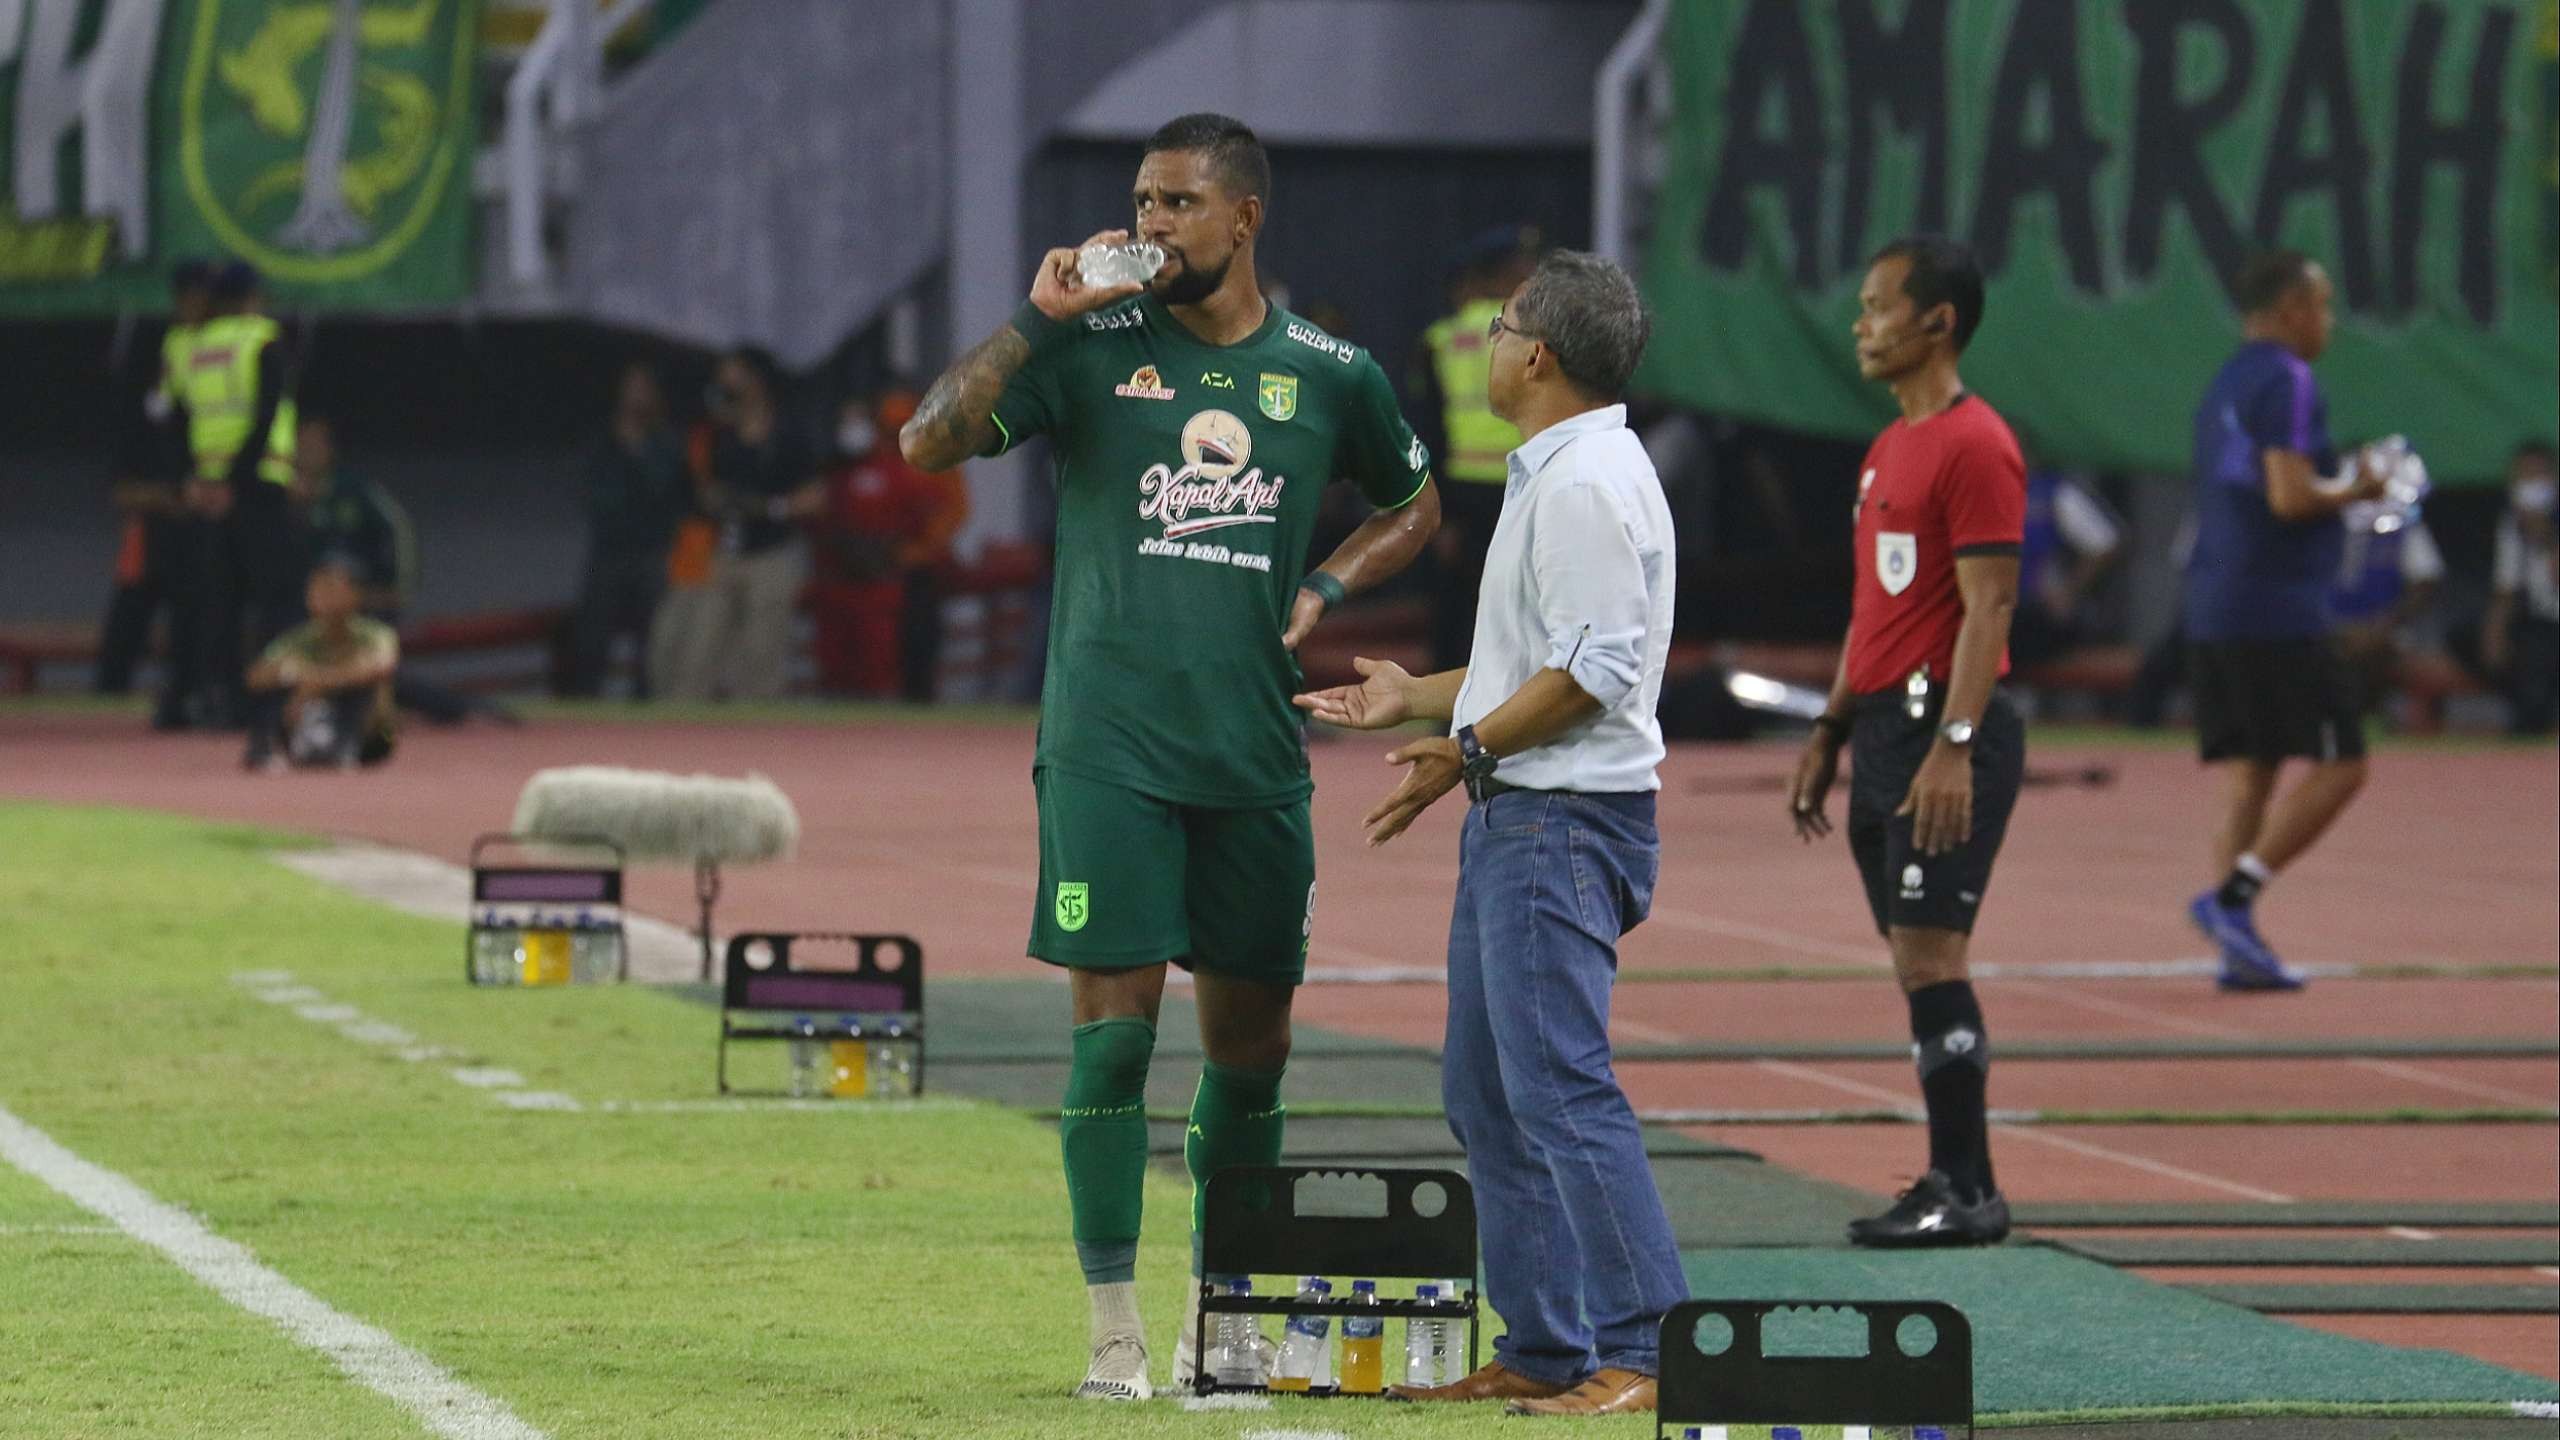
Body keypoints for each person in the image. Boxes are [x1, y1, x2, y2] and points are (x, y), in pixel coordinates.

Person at [898, 112, 1439, 1401]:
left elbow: (1414, 501)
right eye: (1141, 202)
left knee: (1253, 1053)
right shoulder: (1090, 347)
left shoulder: (1328, 369)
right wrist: (1037, 317)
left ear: (1243, 218)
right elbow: (926, 442)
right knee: (1111, 1043)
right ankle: (1112, 1335)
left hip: (1253, 752)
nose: (1150, 226)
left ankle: (1224, 1312)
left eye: (1178, 204)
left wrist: (1326, 581)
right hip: (1107, 748)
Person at [1299, 250, 1685, 1417]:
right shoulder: (1564, 468)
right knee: (1487, 1094)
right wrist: (1421, 697)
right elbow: (1541, 660)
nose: (1483, 340)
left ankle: (1644, 1352)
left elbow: (1598, 671)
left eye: (1501, 324)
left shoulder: (1579, 482)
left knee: (1559, 1091)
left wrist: (1466, 751)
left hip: (1558, 822)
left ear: (1539, 355)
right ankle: (1547, 1345)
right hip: (1528, 811)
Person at [1785, 236, 2027, 1248]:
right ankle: (1953, 1177)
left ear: (1938, 321)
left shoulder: (1977, 445)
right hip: (1884, 726)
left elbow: (1990, 607)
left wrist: (1954, 746)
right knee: (1914, 962)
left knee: (1933, 956)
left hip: (1942, 727)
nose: (1861, 323)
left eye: (1880, 305)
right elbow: (1873, 604)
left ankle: (1964, 1188)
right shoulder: (1888, 447)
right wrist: (1830, 726)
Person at [2181, 251, 2390, 991]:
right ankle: (2231, 901)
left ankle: (2235, 946)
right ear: (2292, 310)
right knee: (2345, 763)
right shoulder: (2290, 379)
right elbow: (2289, 497)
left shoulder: (2227, 381)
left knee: (2252, 771)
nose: (2328, 322)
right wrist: (2359, 488)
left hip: (2215, 603)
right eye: (2323, 306)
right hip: (2276, 608)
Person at [167, 261, 301, 726]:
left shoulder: (197, 346)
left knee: (221, 603)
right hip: (258, 484)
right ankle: (276, 701)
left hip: (210, 489)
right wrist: (237, 482)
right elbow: (265, 415)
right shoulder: (260, 339)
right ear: (252, 297)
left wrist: (203, 480)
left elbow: (182, 415)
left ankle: (222, 703)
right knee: (279, 598)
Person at [649, 347, 822, 701]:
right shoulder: (715, 433)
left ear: (756, 379)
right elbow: (702, 490)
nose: (725, 382)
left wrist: (771, 507)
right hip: (723, 554)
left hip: (772, 554)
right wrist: (718, 499)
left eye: (734, 373)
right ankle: (678, 739)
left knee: (761, 657)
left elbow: (815, 497)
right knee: (698, 652)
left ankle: (758, 746)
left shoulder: (788, 431)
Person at [1411, 226, 1537, 671]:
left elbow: (1427, 431)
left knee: (1457, 606)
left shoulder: (1442, 340)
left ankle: (1446, 711)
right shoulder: (1534, 340)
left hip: (1460, 495)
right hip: (1522, 490)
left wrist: (1436, 511)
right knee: (1521, 604)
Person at [101, 260, 214, 705]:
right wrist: (167, 498)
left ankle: (190, 699)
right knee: (128, 621)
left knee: (199, 619)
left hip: (203, 532)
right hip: (153, 534)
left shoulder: (213, 401)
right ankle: (105, 702)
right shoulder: (141, 413)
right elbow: (121, 488)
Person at [808, 389, 965, 698]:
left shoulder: (922, 462)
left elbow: (945, 514)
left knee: (898, 657)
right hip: (847, 573)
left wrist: (908, 554)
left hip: (899, 574)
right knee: (840, 660)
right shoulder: (840, 468)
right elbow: (821, 518)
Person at [566, 362, 686, 698]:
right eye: (631, 387)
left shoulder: (667, 444)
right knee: (592, 639)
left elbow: (666, 493)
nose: (637, 396)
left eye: (644, 388)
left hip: (652, 554)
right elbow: (594, 499)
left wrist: (638, 453)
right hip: (608, 555)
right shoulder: (601, 442)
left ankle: (648, 713)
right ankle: (584, 707)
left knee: (654, 642)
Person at [242, 556, 398, 772]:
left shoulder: (376, 634)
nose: (322, 596)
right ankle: (265, 749)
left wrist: (319, 683)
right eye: (316, 589)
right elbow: (256, 676)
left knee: (362, 684)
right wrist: (294, 675)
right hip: (306, 719)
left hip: (370, 736)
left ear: (355, 594)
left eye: (332, 588)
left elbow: (382, 666)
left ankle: (344, 750)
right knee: (278, 679)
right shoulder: (299, 638)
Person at [2328, 492, 2444, 719]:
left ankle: (2369, 716)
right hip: (2328, 626)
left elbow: (2426, 581)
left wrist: (2385, 623)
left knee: (2374, 648)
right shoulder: (2325, 524)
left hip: (2385, 628)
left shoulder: (2401, 525)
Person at [2009, 463, 2123, 674]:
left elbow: (2106, 544)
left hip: (2037, 617)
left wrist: (2068, 591)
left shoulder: (2053, 494)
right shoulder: (1978, 495)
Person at [2480, 442, 2559, 734]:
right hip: (2536, 624)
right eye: (2523, 477)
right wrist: (2493, 633)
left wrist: (2545, 536)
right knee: (2476, 640)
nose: (2530, 485)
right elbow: (2506, 588)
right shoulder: (2513, 524)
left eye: (2538, 476)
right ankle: (2531, 710)